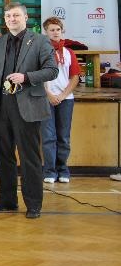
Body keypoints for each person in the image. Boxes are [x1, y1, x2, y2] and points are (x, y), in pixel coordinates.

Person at [0, 2, 58, 219]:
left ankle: (33, 205)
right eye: (8, 16)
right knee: (4, 156)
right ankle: (7, 201)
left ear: (26, 18)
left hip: (27, 107)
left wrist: (26, 77)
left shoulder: (40, 41)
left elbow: (52, 70)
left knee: (29, 157)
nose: (11, 19)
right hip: (1, 106)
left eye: (16, 15)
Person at [42, 17, 80, 184]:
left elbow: (75, 77)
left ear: (61, 31)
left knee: (63, 136)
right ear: (46, 32)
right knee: (48, 137)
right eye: (52, 30)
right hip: (46, 99)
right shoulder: (41, 51)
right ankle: (49, 171)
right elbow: (38, 76)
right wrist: (49, 94)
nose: (55, 32)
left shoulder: (69, 53)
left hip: (66, 99)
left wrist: (63, 95)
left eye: (58, 29)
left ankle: (63, 169)